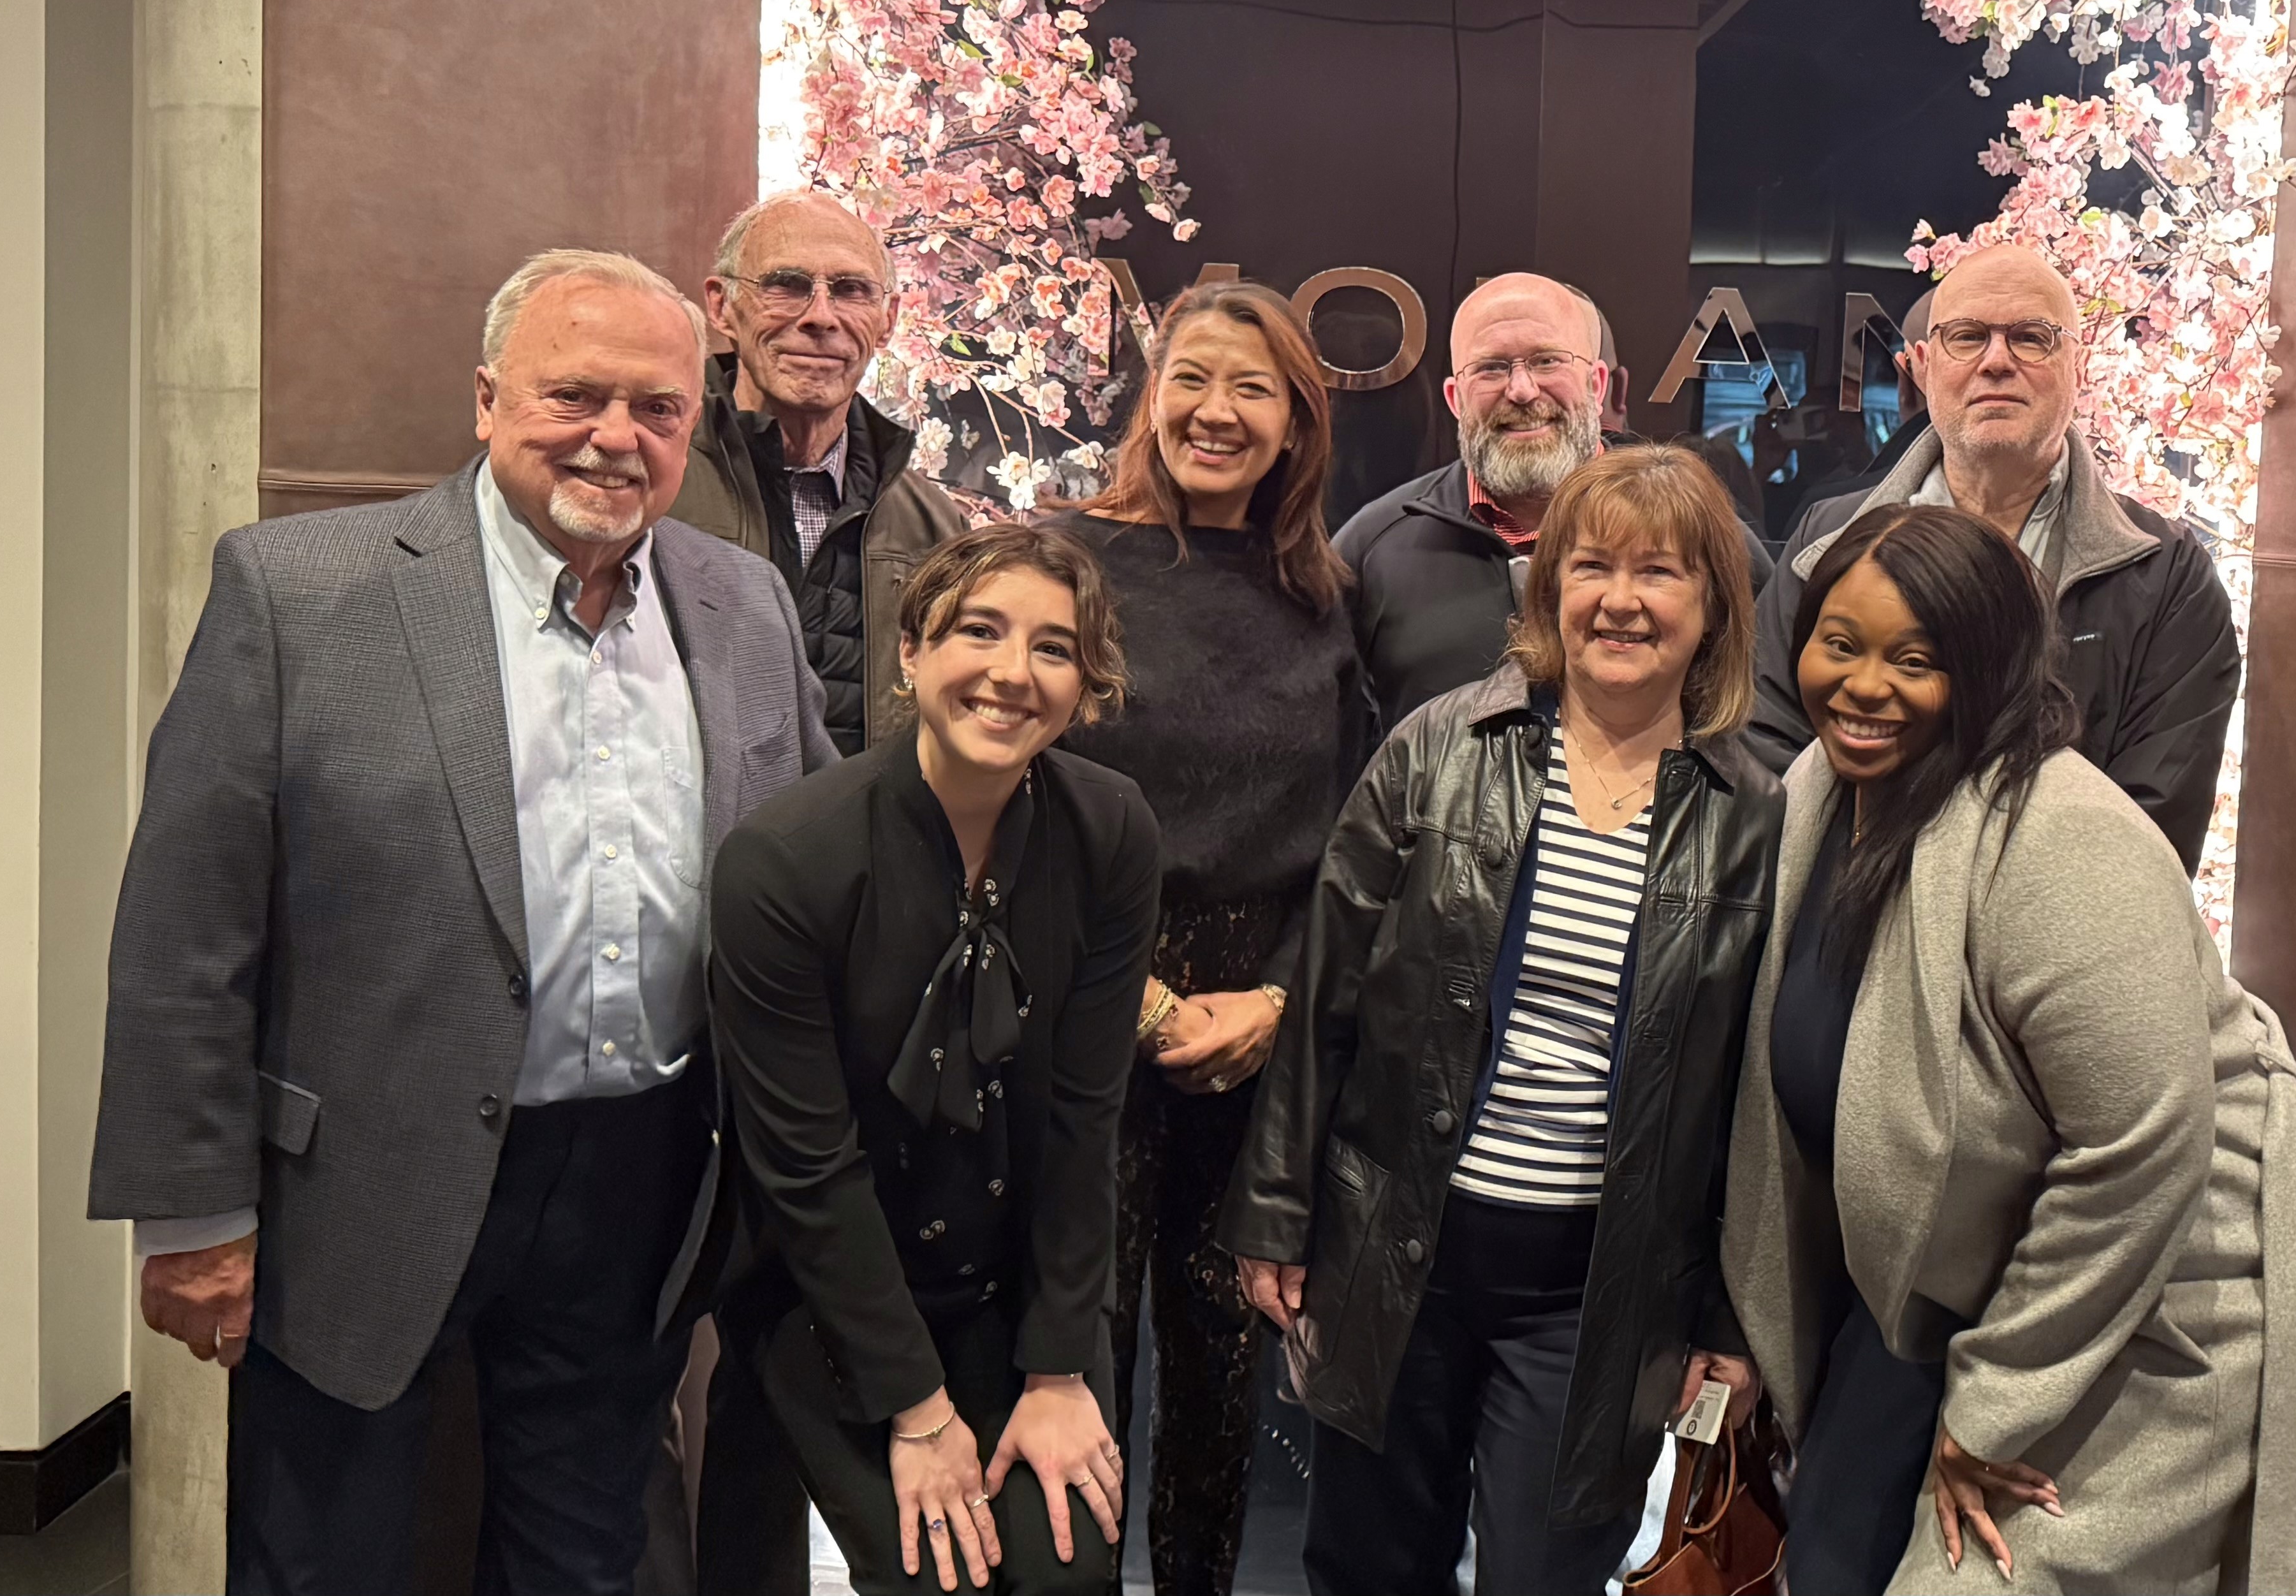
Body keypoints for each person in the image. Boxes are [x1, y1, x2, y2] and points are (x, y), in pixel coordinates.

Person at [88, 249, 833, 1594]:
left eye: (657, 407)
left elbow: (820, 865)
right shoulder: (299, 589)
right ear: (488, 399)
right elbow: (185, 927)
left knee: (585, 1556)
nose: (616, 435)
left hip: (640, 1175)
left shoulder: (742, 602)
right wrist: (189, 1208)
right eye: (575, 394)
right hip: (358, 1178)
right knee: (322, 1554)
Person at [1722, 505, 2296, 1595]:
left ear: (1988, 668)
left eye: (1916, 657)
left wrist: (1993, 1410)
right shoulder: (1817, 793)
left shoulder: (2062, 837)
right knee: (1833, 1550)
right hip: (1948, 1277)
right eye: (1838, 643)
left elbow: (2140, 1150)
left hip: (2160, 1290)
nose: (1862, 684)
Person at [1222, 446, 1783, 1596]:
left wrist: (1731, 1311)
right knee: (1367, 1568)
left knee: (1543, 1574)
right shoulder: (1439, 744)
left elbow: (1748, 1094)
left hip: (1595, 1289)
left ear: (1714, 602)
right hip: (1397, 1249)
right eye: (1591, 565)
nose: (1620, 598)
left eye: (1660, 572)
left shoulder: (1754, 815)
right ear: (1548, 586)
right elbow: (1326, 989)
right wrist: (1276, 1211)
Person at [709, 524, 1162, 1595]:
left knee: (1066, 1570)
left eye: (1054, 648)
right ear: (910, 649)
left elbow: (1083, 1119)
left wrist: (1059, 1366)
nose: (1014, 673)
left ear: (1083, 682)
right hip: (834, 1290)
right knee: (939, 1577)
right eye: (980, 630)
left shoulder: (1111, 830)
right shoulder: (783, 861)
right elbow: (809, 1169)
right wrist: (916, 1409)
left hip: (1016, 1292)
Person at [1042, 282, 1368, 1596]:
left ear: (1295, 421)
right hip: (1088, 1002)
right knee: (1072, 1354)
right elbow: (1015, 804)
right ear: (1152, 395)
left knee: (1224, 1370)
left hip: (1257, 1036)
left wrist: (1279, 1004)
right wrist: (1146, 1002)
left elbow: (1356, 839)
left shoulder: (1323, 594)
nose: (1216, 412)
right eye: (1193, 380)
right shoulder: (1067, 560)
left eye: (1252, 388)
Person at [1750, 243, 2242, 870]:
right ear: (1923, 367)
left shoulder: (2166, 576)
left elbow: (2150, 828)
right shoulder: (1828, 539)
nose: (1997, 362)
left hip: (2054, 953)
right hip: (1840, 931)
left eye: (2031, 338)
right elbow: (1766, 747)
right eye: (1968, 337)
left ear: (2077, 364)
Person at [1334, 272, 1774, 736]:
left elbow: (1764, 721)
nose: (1522, 390)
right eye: (1491, 368)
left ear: (1597, 384)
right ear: (1454, 399)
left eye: (1547, 361)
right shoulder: (1373, 549)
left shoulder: (1697, 531)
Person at [676, 187, 971, 760]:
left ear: (887, 322)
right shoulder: (653, 489)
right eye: (786, 285)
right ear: (721, 306)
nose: (820, 317)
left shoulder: (937, 530)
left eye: (851, 290)